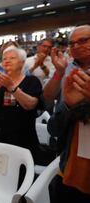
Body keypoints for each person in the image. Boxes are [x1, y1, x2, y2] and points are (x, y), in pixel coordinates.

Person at [47, 25, 90, 202]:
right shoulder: (67, 69)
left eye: (83, 40)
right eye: (72, 43)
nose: (76, 46)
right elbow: (54, 125)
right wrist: (69, 106)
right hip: (70, 162)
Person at [0, 46, 42, 161]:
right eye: (4, 58)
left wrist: (11, 87)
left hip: (22, 141)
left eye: (12, 58)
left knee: (21, 176)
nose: (7, 60)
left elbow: (30, 104)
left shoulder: (31, 81)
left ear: (22, 62)